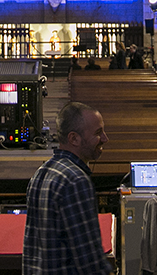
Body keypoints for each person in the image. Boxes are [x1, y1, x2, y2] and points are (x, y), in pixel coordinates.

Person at [23, 102, 112, 275]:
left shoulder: (41, 172)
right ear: (74, 139)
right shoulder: (75, 181)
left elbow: (32, 251)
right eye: (98, 133)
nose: (105, 138)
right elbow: (90, 262)